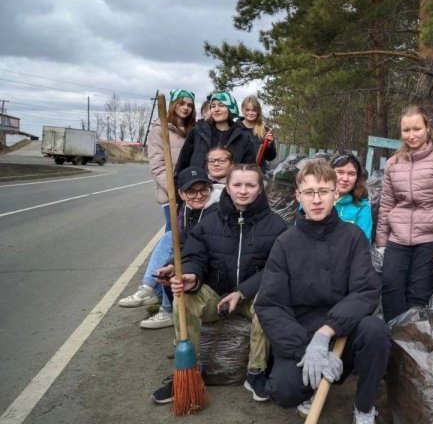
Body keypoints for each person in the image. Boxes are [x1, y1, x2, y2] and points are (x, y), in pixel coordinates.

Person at [255, 160, 389, 423]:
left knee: (376, 330)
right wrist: (306, 349)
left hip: (342, 333)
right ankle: (309, 383)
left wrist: (326, 333)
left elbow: (366, 290)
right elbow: (270, 305)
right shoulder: (285, 244)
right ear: (298, 196)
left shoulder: (352, 237)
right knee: (284, 390)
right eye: (309, 192)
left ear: (335, 194)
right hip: (301, 336)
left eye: (324, 191)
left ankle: (364, 408)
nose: (316, 200)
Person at [150, 164, 287, 404]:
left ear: (260, 189)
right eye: (237, 184)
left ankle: (256, 372)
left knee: (271, 305)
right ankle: (189, 371)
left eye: (250, 185)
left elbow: (276, 268)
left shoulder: (276, 226)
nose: (243, 191)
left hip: (252, 295)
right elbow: (194, 255)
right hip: (214, 292)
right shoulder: (209, 219)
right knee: (186, 298)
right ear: (227, 187)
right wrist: (191, 275)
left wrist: (242, 292)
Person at [375, 106, 433, 322]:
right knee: (390, 287)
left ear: (428, 127)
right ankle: (392, 336)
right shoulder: (394, 163)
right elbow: (387, 204)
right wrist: (381, 243)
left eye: (417, 129)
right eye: (406, 130)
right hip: (398, 237)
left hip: (430, 236)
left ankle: (411, 341)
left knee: (418, 293)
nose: (411, 135)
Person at [119, 166, 213, 330]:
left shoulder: (215, 213)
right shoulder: (188, 212)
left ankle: (165, 305)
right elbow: (186, 246)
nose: (198, 196)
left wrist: (185, 269)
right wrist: (171, 265)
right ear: (181, 194)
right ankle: (160, 300)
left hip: (210, 273)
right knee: (169, 265)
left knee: (176, 267)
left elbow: (205, 252)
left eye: (203, 190)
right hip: (196, 266)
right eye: (191, 192)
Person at [148, 89, 196, 231]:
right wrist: (175, 190)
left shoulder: (194, 130)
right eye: (181, 103)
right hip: (172, 195)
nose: (186, 108)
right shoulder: (160, 130)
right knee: (172, 235)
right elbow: (157, 166)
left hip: (192, 193)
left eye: (189, 105)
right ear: (173, 104)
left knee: (189, 234)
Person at [174, 91, 256, 173]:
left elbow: (249, 170)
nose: (216, 109)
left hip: (229, 185)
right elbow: (183, 162)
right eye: (213, 106)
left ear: (230, 108)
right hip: (199, 185)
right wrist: (178, 183)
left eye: (221, 105)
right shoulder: (198, 132)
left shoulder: (243, 137)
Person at [330, 152, 373, 241]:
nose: (345, 179)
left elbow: (363, 245)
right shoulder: (314, 199)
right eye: (340, 172)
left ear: (357, 178)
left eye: (351, 174)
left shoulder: (362, 208)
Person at [238, 95, 276, 171]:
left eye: (254, 110)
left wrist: (270, 145)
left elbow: (270, 157)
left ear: (258, 111)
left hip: (258, 173)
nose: (250, 113)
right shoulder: (234, 128)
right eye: (247, 110)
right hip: (238, 172)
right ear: (242, 110)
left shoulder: (265, 130)